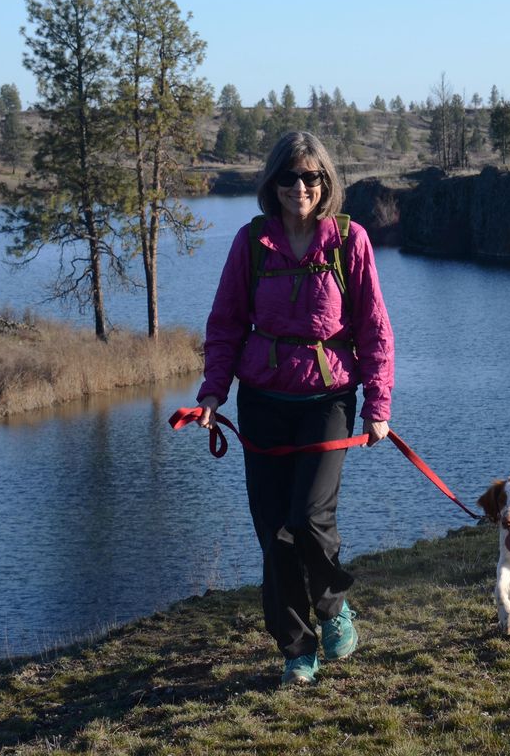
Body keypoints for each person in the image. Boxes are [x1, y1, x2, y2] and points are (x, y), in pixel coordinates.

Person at [195, 131, 395, 685]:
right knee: (274, 533)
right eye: (289, 177)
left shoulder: (349, 241)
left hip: (327, 400)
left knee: (308, 517)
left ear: (325, 182)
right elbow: (226, 322)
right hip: (262, 401)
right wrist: (213, 391)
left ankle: (333, 608)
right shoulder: (251, 242)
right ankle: (296, 650)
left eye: (311, 177)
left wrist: (378, 404)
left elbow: (375, 328)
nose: (300, 187)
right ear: (273, 183)